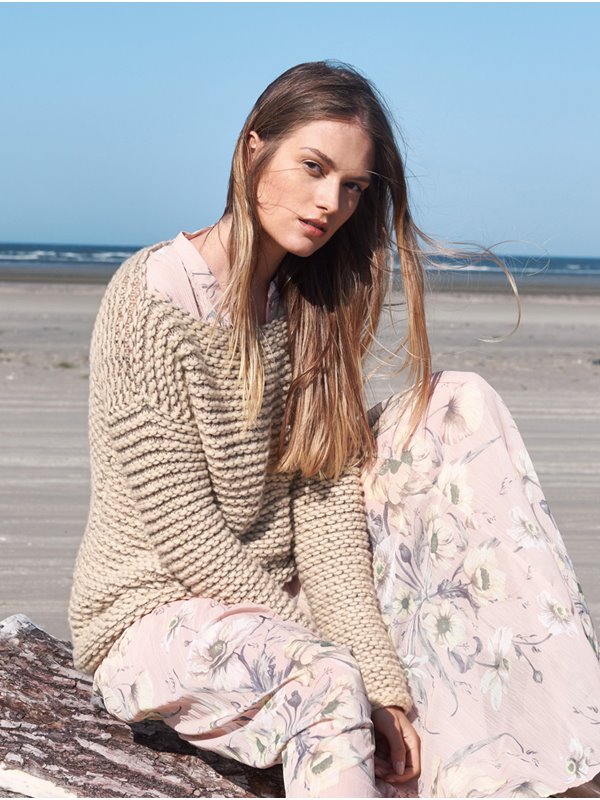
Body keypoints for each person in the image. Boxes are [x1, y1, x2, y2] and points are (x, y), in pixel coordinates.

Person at [68, 60, 600, 798]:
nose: (330, 203)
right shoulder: (150, 299)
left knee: (459, 403)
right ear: (253, 148)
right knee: (325, 677)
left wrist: (383, 681)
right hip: (156, 611)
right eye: (314, 168)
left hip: (280, 594)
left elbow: (323, 512)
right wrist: (338, 653)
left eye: (353, 187)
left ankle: (557, 760)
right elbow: (188, 537)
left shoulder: (310, 309)